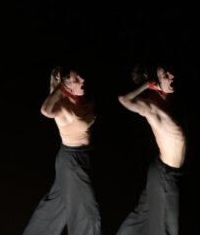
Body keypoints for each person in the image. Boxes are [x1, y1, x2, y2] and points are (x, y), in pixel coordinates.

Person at [22, 66, 101, 235]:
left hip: (81, 157)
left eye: (82, 77)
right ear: (67, 85)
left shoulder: (85, 98)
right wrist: (60, 87)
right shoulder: (64, 107)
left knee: (58, 205)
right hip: (72, 161)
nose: (82, 81)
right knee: (89, 213)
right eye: (76, 79)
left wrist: (58, 85)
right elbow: (45, 110)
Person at [115, 64, 185, 235]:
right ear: (155, 82)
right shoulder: (151, 106)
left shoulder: (164, 100)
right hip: (165, 176)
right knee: (167, 228)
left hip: (162, 171)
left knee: (142, 216)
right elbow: (124, 99)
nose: (172, 76)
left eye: (169, 72)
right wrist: (148, 84)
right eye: (165, 75)